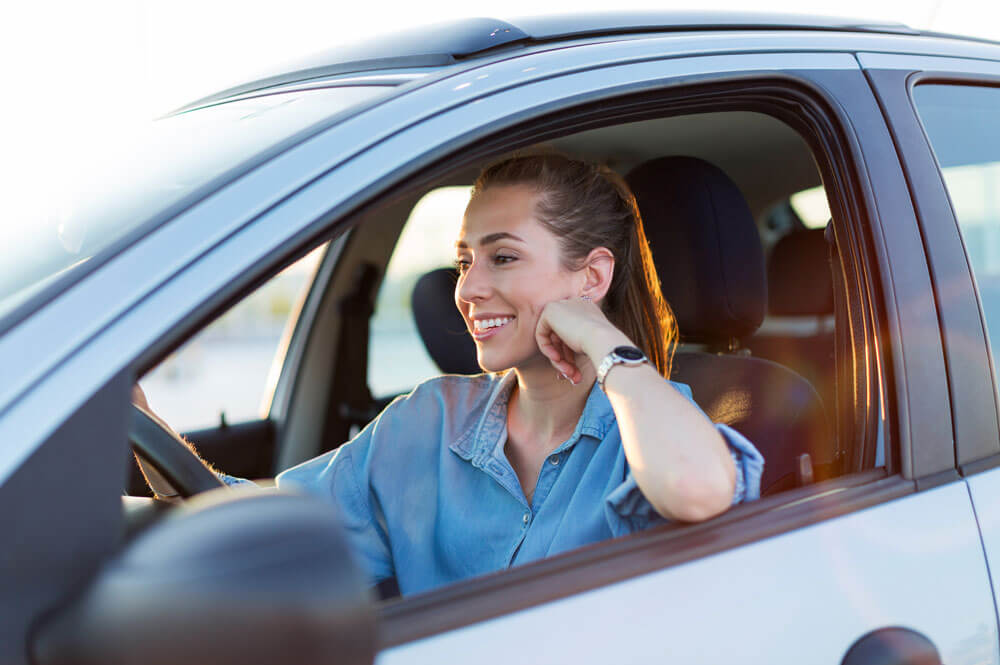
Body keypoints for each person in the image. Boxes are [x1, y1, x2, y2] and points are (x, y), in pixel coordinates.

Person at [138, 153, 764, 597]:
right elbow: (271, 535)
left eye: (503, 257)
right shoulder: (427, 421)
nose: (467, 288)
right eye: (464, 260)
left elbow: (696, 489)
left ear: (592, 278)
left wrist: (601, 340)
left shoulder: (656, 428)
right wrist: (141, 426)